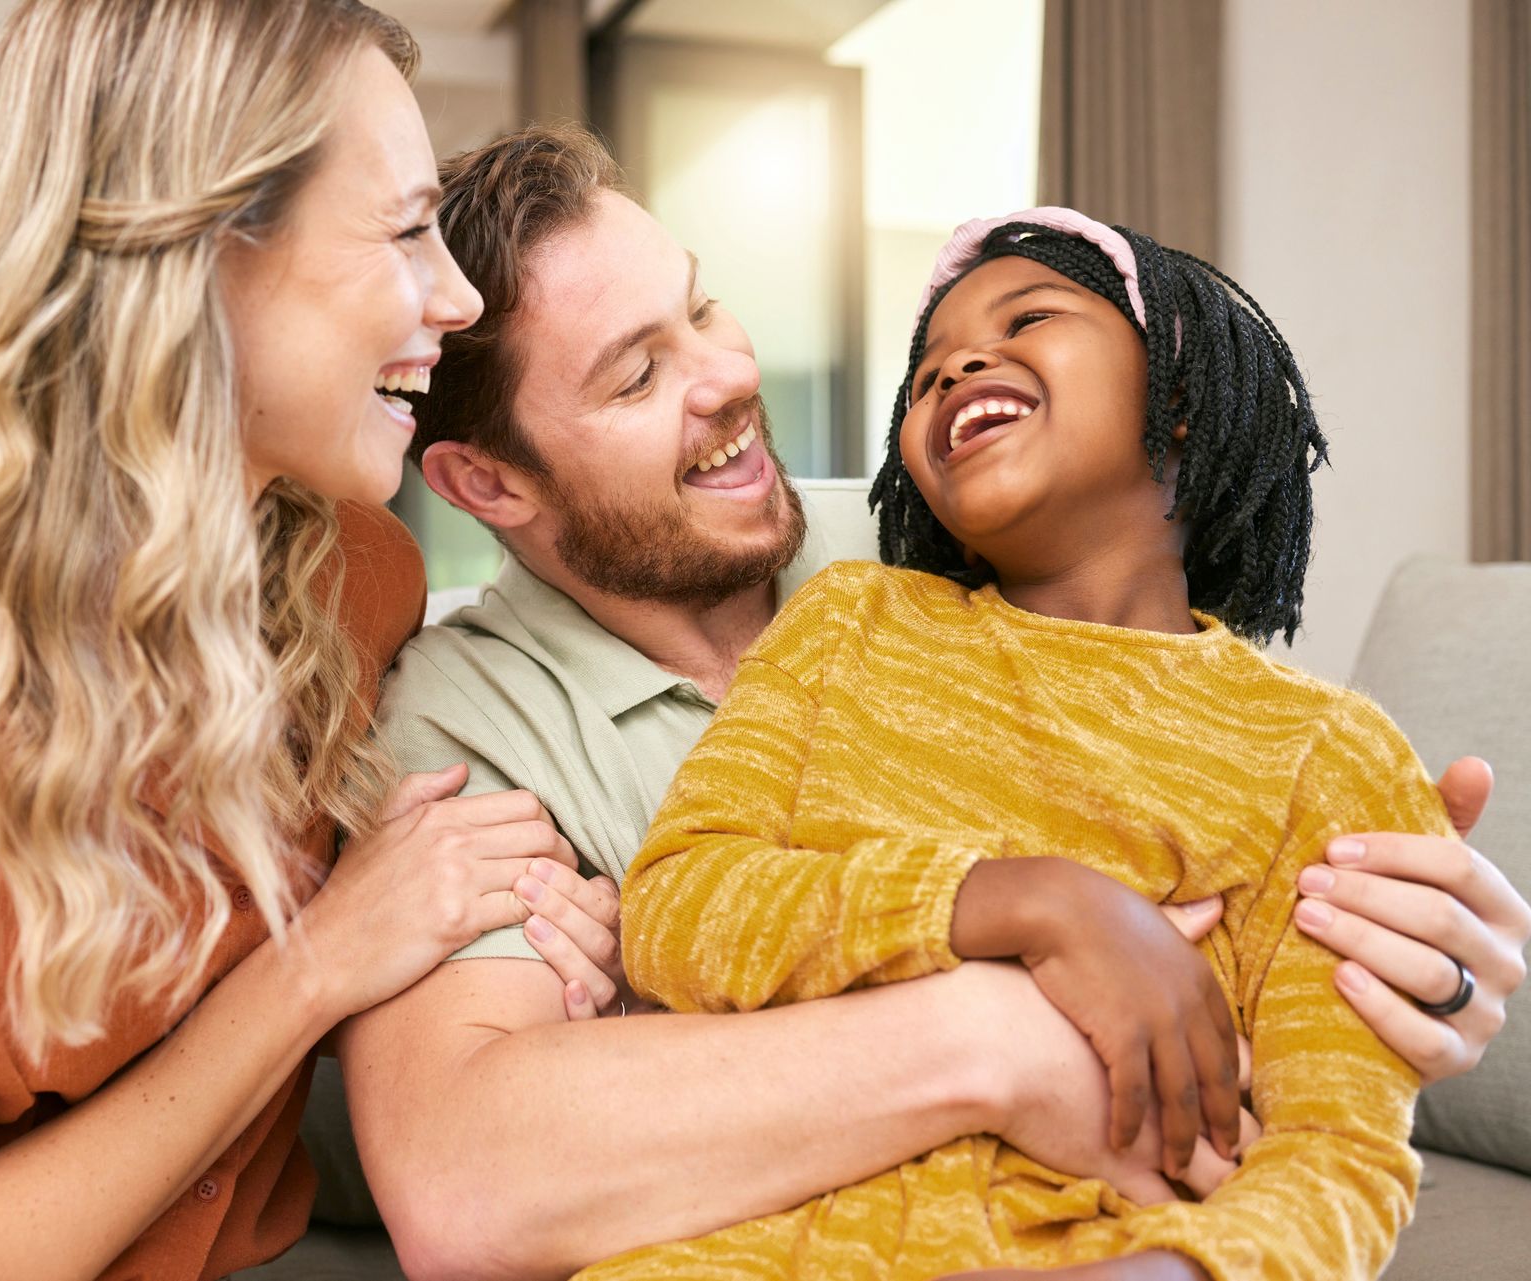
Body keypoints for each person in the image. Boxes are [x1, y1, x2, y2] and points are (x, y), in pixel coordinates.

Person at [338, 124, 1531, 1281]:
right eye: (639, 374)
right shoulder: (461, 724)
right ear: (485, 481)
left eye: (701, 307)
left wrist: (1401, 971)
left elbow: (1223, 822)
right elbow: (468, 1189)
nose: (733, 375)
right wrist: (1005, 1017)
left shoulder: (947, 528)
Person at [0, 5, 613, 1280]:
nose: (459, 300)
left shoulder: (357, 581)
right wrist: (312, 970)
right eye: (408, 229)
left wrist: (543, 928)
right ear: (195, 250)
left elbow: (418, 907)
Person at [604, 208, 1435, 1280]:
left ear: (1182, 399)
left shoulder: (1326, 754)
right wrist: (1014, 900)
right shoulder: (845, 625)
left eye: (1029, 316)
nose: (956, 368)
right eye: (925, 374)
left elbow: (1338, 1153)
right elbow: (679, 911)